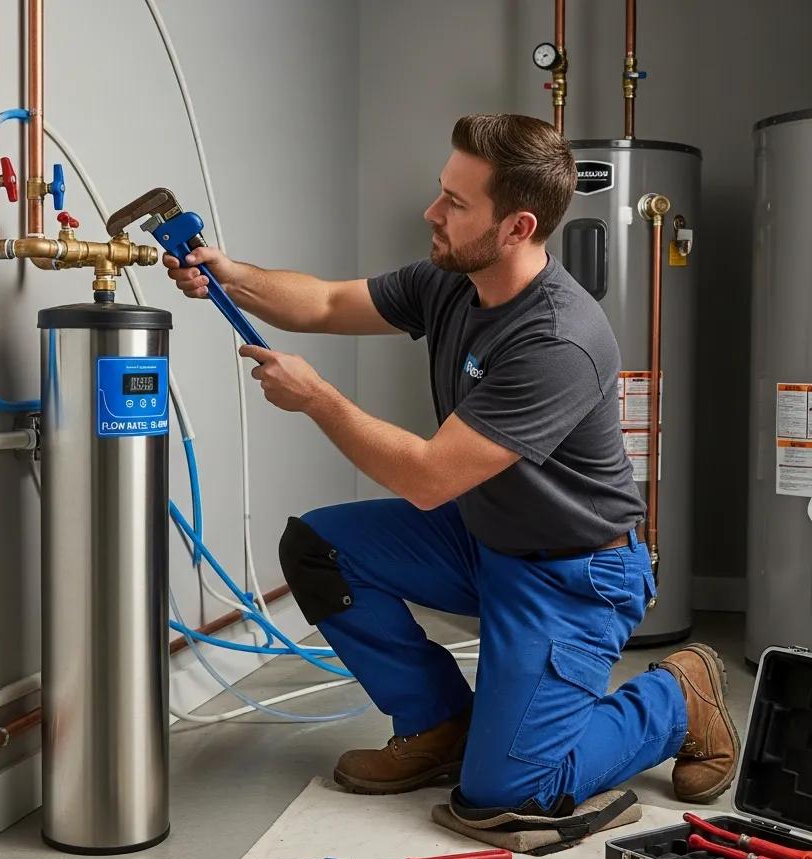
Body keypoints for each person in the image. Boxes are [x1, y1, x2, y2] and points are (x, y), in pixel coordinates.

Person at [164, 113, 738, 819]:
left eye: (456, 204)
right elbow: (325, 301)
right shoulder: (453, 281)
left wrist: (316, 399)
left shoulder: (558, 339)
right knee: (320, 547)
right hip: (482, 538)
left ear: (517, 228)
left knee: (509, 793)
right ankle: (440, 723)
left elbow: (429, 477)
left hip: (570, 574)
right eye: (442, 191)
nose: (432, 213)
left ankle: (676, 697)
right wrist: (231, 276)